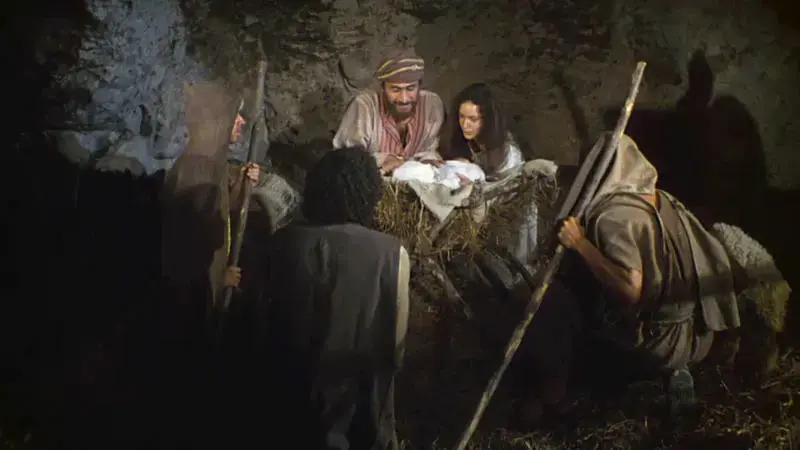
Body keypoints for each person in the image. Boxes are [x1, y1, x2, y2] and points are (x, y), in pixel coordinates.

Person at [556, 133, 743, 414]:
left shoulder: (615, 216)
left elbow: (629, 290)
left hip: (659, 343)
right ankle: (680, 371)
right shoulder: (664, 199)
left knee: (577, 328)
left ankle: (626, 389)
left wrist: (580, 244)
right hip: (702, 332)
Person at [255, 146, 411, 449]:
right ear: (370, 193)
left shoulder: (282, 242)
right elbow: (396, 345)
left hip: (287, 398)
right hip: (356, 409)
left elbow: (262, 320)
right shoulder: (392, 253)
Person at [161, 80, 261, 348]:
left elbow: (220, 214)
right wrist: (217, 280)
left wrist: (242, 185)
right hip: (193, 301)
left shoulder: (211, 165)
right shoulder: (196, 170)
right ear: (218, 121)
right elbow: (183, 248)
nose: (241, 121)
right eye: (234, 115)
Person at [332, 49, 445, 174]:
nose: (404, 99)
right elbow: (345, 158)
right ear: (383, 87)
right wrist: (383, 160)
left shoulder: (432, 105)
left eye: (410, 88)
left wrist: (428, 160)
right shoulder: (364, 106)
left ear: (420, 85)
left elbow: (436, 149)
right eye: (395, 89)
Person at [442, 82, 524, 180]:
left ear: (487, 120)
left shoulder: (508, 154)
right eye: (461, 116)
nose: (465, 125)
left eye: (473, 119)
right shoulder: (460, 139)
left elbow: (508, 184)